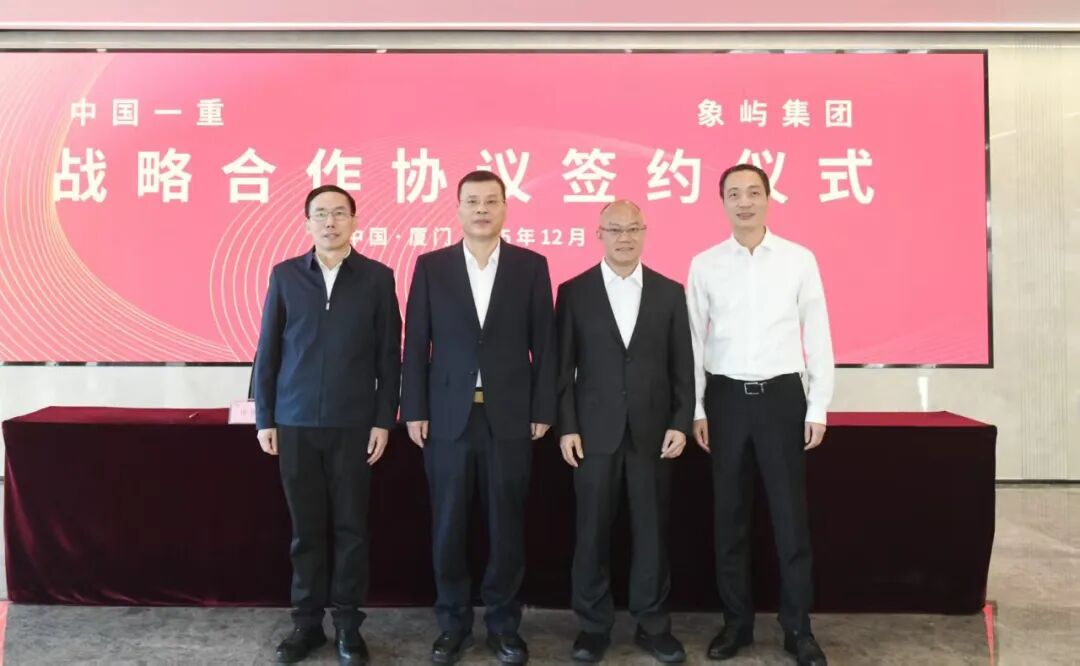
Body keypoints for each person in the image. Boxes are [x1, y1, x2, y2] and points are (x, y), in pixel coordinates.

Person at [401, 170, 556, 665]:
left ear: (506, 207)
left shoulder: (531, 266)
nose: (482, 209)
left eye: (491, 201)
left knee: (506, 526)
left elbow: (545, 344)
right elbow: (415, 342)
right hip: (447, 418)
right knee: (448, 526)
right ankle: (453, 625)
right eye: (473, 201)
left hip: (510, 418)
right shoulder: (432, 266)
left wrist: (543, 408)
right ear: (458, 208)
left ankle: (504, 626)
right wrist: (414, 407)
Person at [686, 164, 834, 666]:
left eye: (753, 192)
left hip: (782, 398)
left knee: (790, 519)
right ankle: (736, 624)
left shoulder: (798, 259)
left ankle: (798, 629)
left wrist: (818, 404)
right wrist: (698, 407)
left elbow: (817, 332)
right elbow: (693, 341)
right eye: (734, 194)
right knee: (729, 518)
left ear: (769, 198)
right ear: (722, 202)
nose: (744, 202)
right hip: (725, 400)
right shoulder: (705, 264)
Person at [254, 184, 402, 665]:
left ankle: (347, 627)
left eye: (339, 213)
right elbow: (268, 351)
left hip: (354, 425)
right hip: (294, 421)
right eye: (321, 214)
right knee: (306, 531)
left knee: (351, 529)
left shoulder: (377, 278)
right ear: (307, 223)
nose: (330, 222)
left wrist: (384, 420)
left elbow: (389, 356)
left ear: (355, 222)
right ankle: (306, 625)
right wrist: (264, 416)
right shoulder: (285, 276)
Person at [555, 200, 694, 664]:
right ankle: (593, 626)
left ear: (645, 232)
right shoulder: (574, 292)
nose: (625, 237)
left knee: (651, 532)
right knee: (591, 531)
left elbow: (682, 366)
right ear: (599, 234)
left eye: (633, 228)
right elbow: (563, 369)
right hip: (593, 434)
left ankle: (652, 624)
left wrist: (680, 421)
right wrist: (567, 427)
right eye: (615, 229)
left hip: (654, 434)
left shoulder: (669, 293)